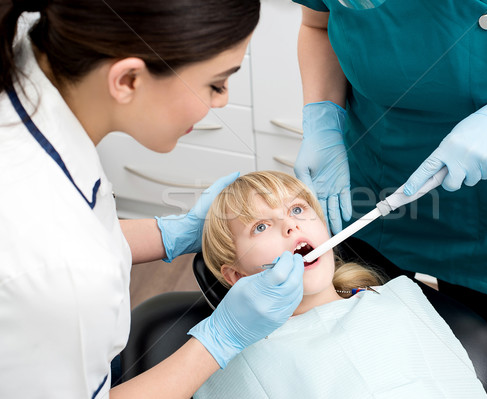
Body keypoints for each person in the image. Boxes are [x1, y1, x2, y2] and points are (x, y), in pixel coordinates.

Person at [0, 1, 305, 398]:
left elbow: (79, 230)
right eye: (215, 83)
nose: (223, 101)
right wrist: (219, 341)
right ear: (127, 79)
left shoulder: (34, 46)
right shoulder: (64, 270)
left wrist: (172, 234)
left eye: (298, 210)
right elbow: (56, 254)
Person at [291, 0, 487, 349]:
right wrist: (322, 119)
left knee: (472, 357)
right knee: (365, 343)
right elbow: (318, 25)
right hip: (369, 179)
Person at [192, 170, 487, 398]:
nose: (290, 225)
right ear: (236, 276)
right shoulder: (232, 358)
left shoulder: (399, 299)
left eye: (296, 209)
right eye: (260, 226)